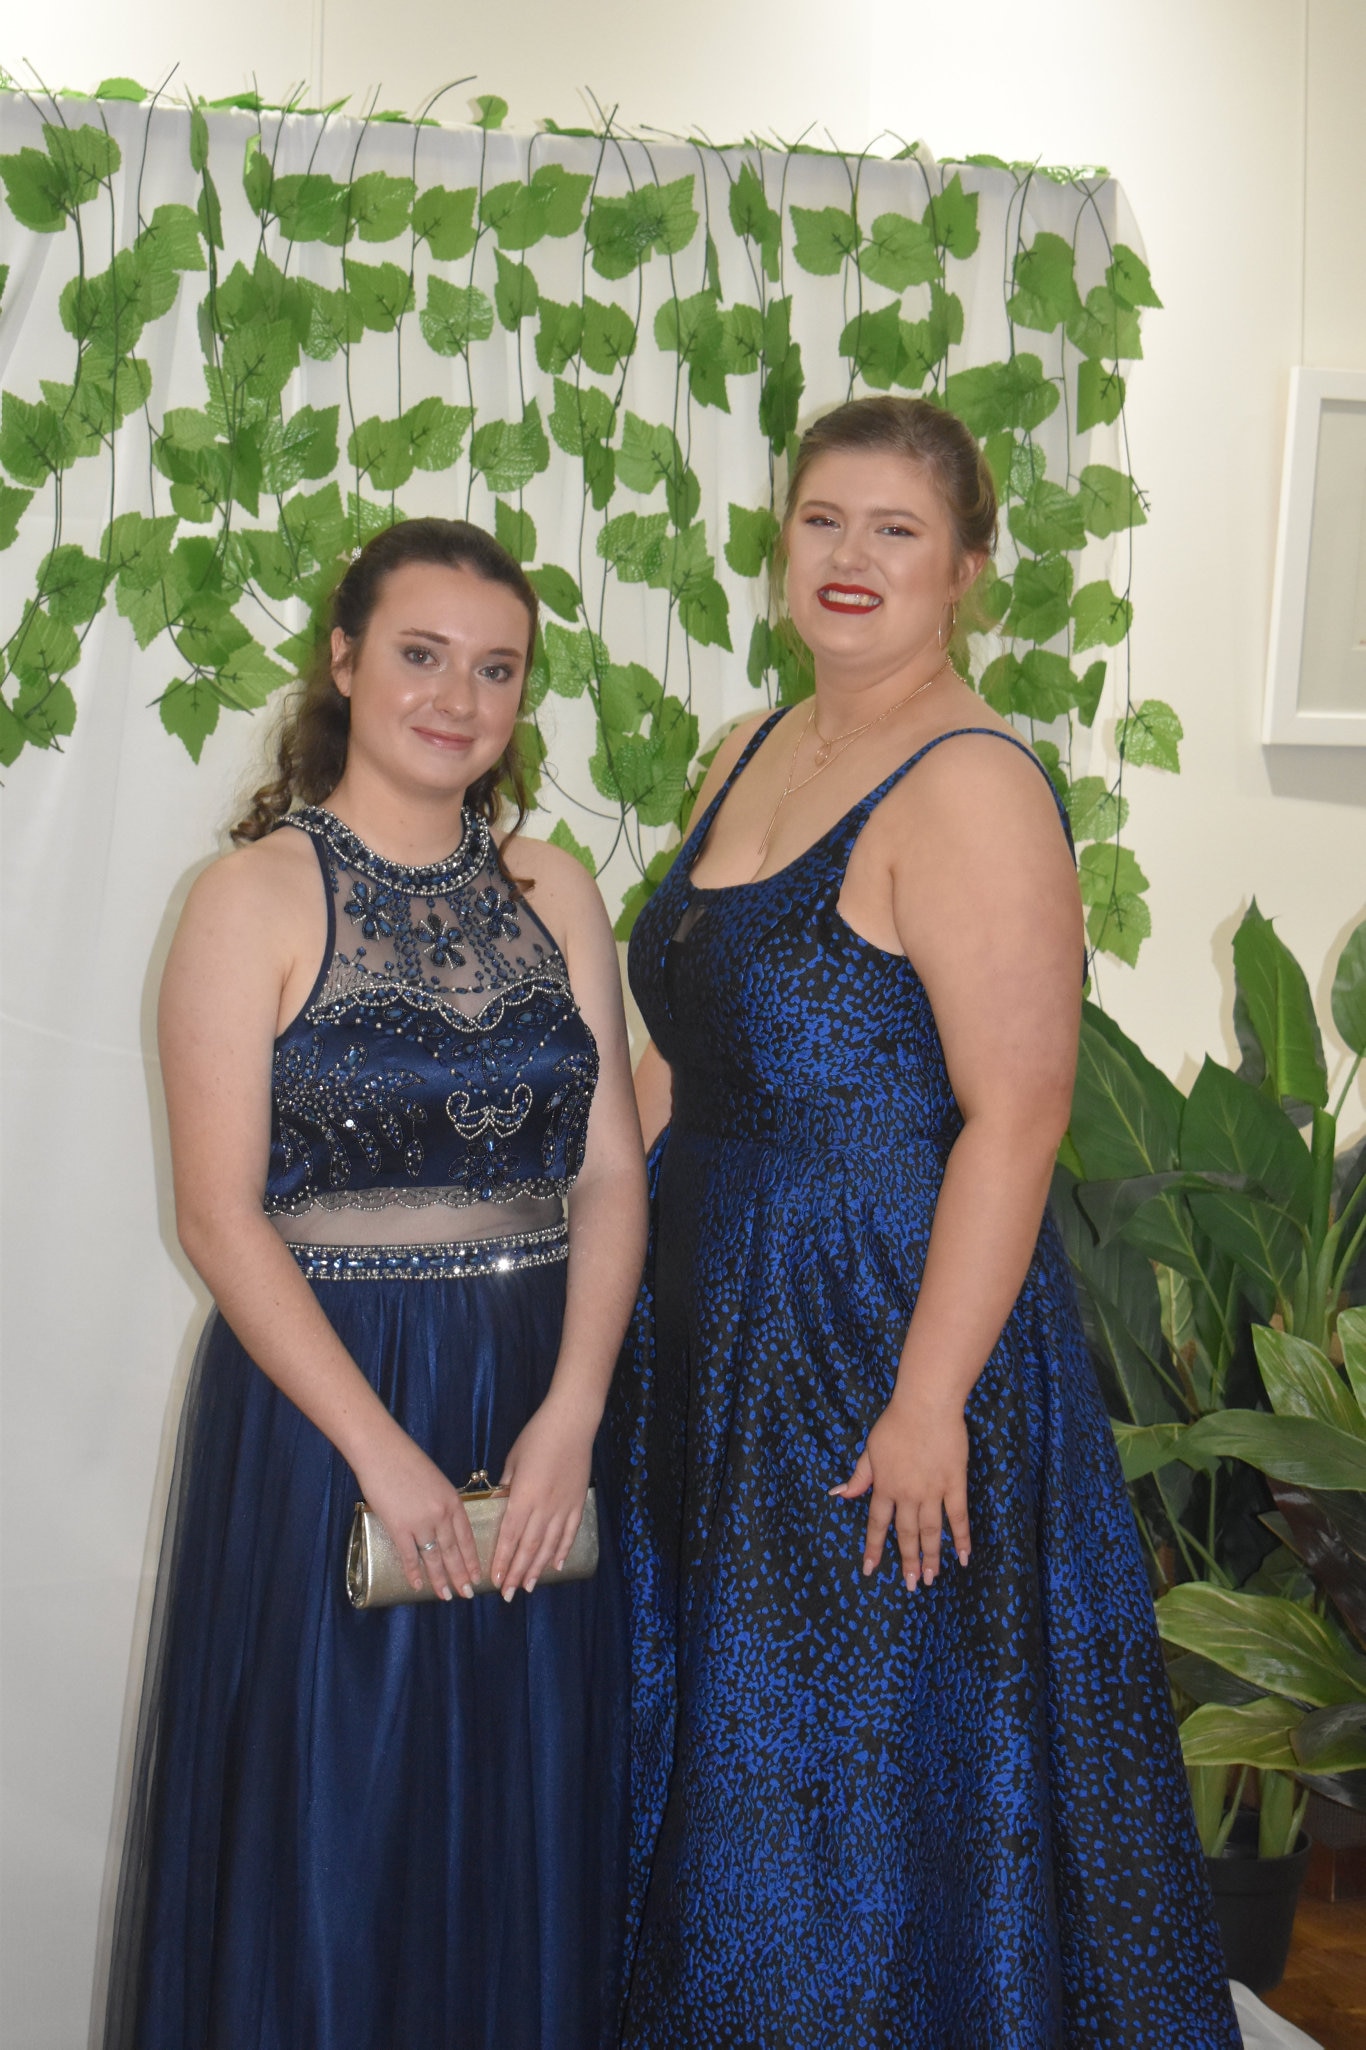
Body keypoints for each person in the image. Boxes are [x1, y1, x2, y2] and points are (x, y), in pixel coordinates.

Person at [605, 396, 1241, 2047]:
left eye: (895, 531)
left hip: (870, 1331)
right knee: (720, 1743)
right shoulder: (742, 744)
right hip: (708, 1321)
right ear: (780, 545)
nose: (850, 558)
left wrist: (925, 1400)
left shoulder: (972, 783)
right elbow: (691, 1054)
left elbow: (1020, 1108)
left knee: (836, 1763)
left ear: (968, 568)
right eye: (822, 520)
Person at [102, 518, 646, 2050]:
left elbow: (607, 1173)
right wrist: (385, 1450)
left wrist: (574, 1414)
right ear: (343, 662)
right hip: (325, 1413)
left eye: (495, 668)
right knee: (334, 1818)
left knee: (520, 1811)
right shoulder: (248, 899)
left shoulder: (555, 889)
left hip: (541, 1388)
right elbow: (220, 1220)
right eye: (420, 654)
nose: (456, 698)